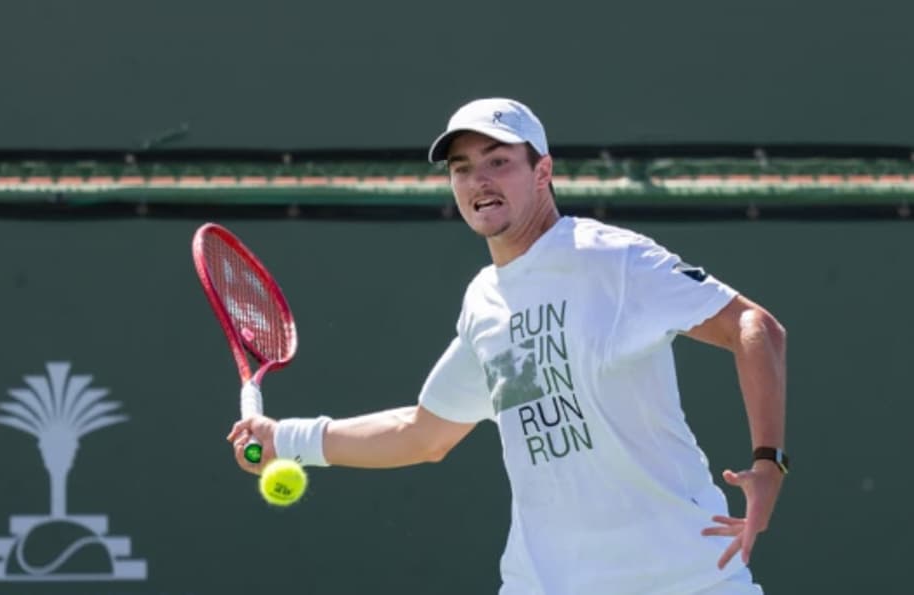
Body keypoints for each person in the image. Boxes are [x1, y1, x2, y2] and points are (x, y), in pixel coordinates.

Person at [227, 98, 788, 594]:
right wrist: (287, 440)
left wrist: (769, 463)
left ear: (542, 171)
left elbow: (755, 327)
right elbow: (424, 433)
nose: (479, 181)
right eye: (462, 168)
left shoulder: (611, 260)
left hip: (683, 579)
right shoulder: (486, 303)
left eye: (498, 162)